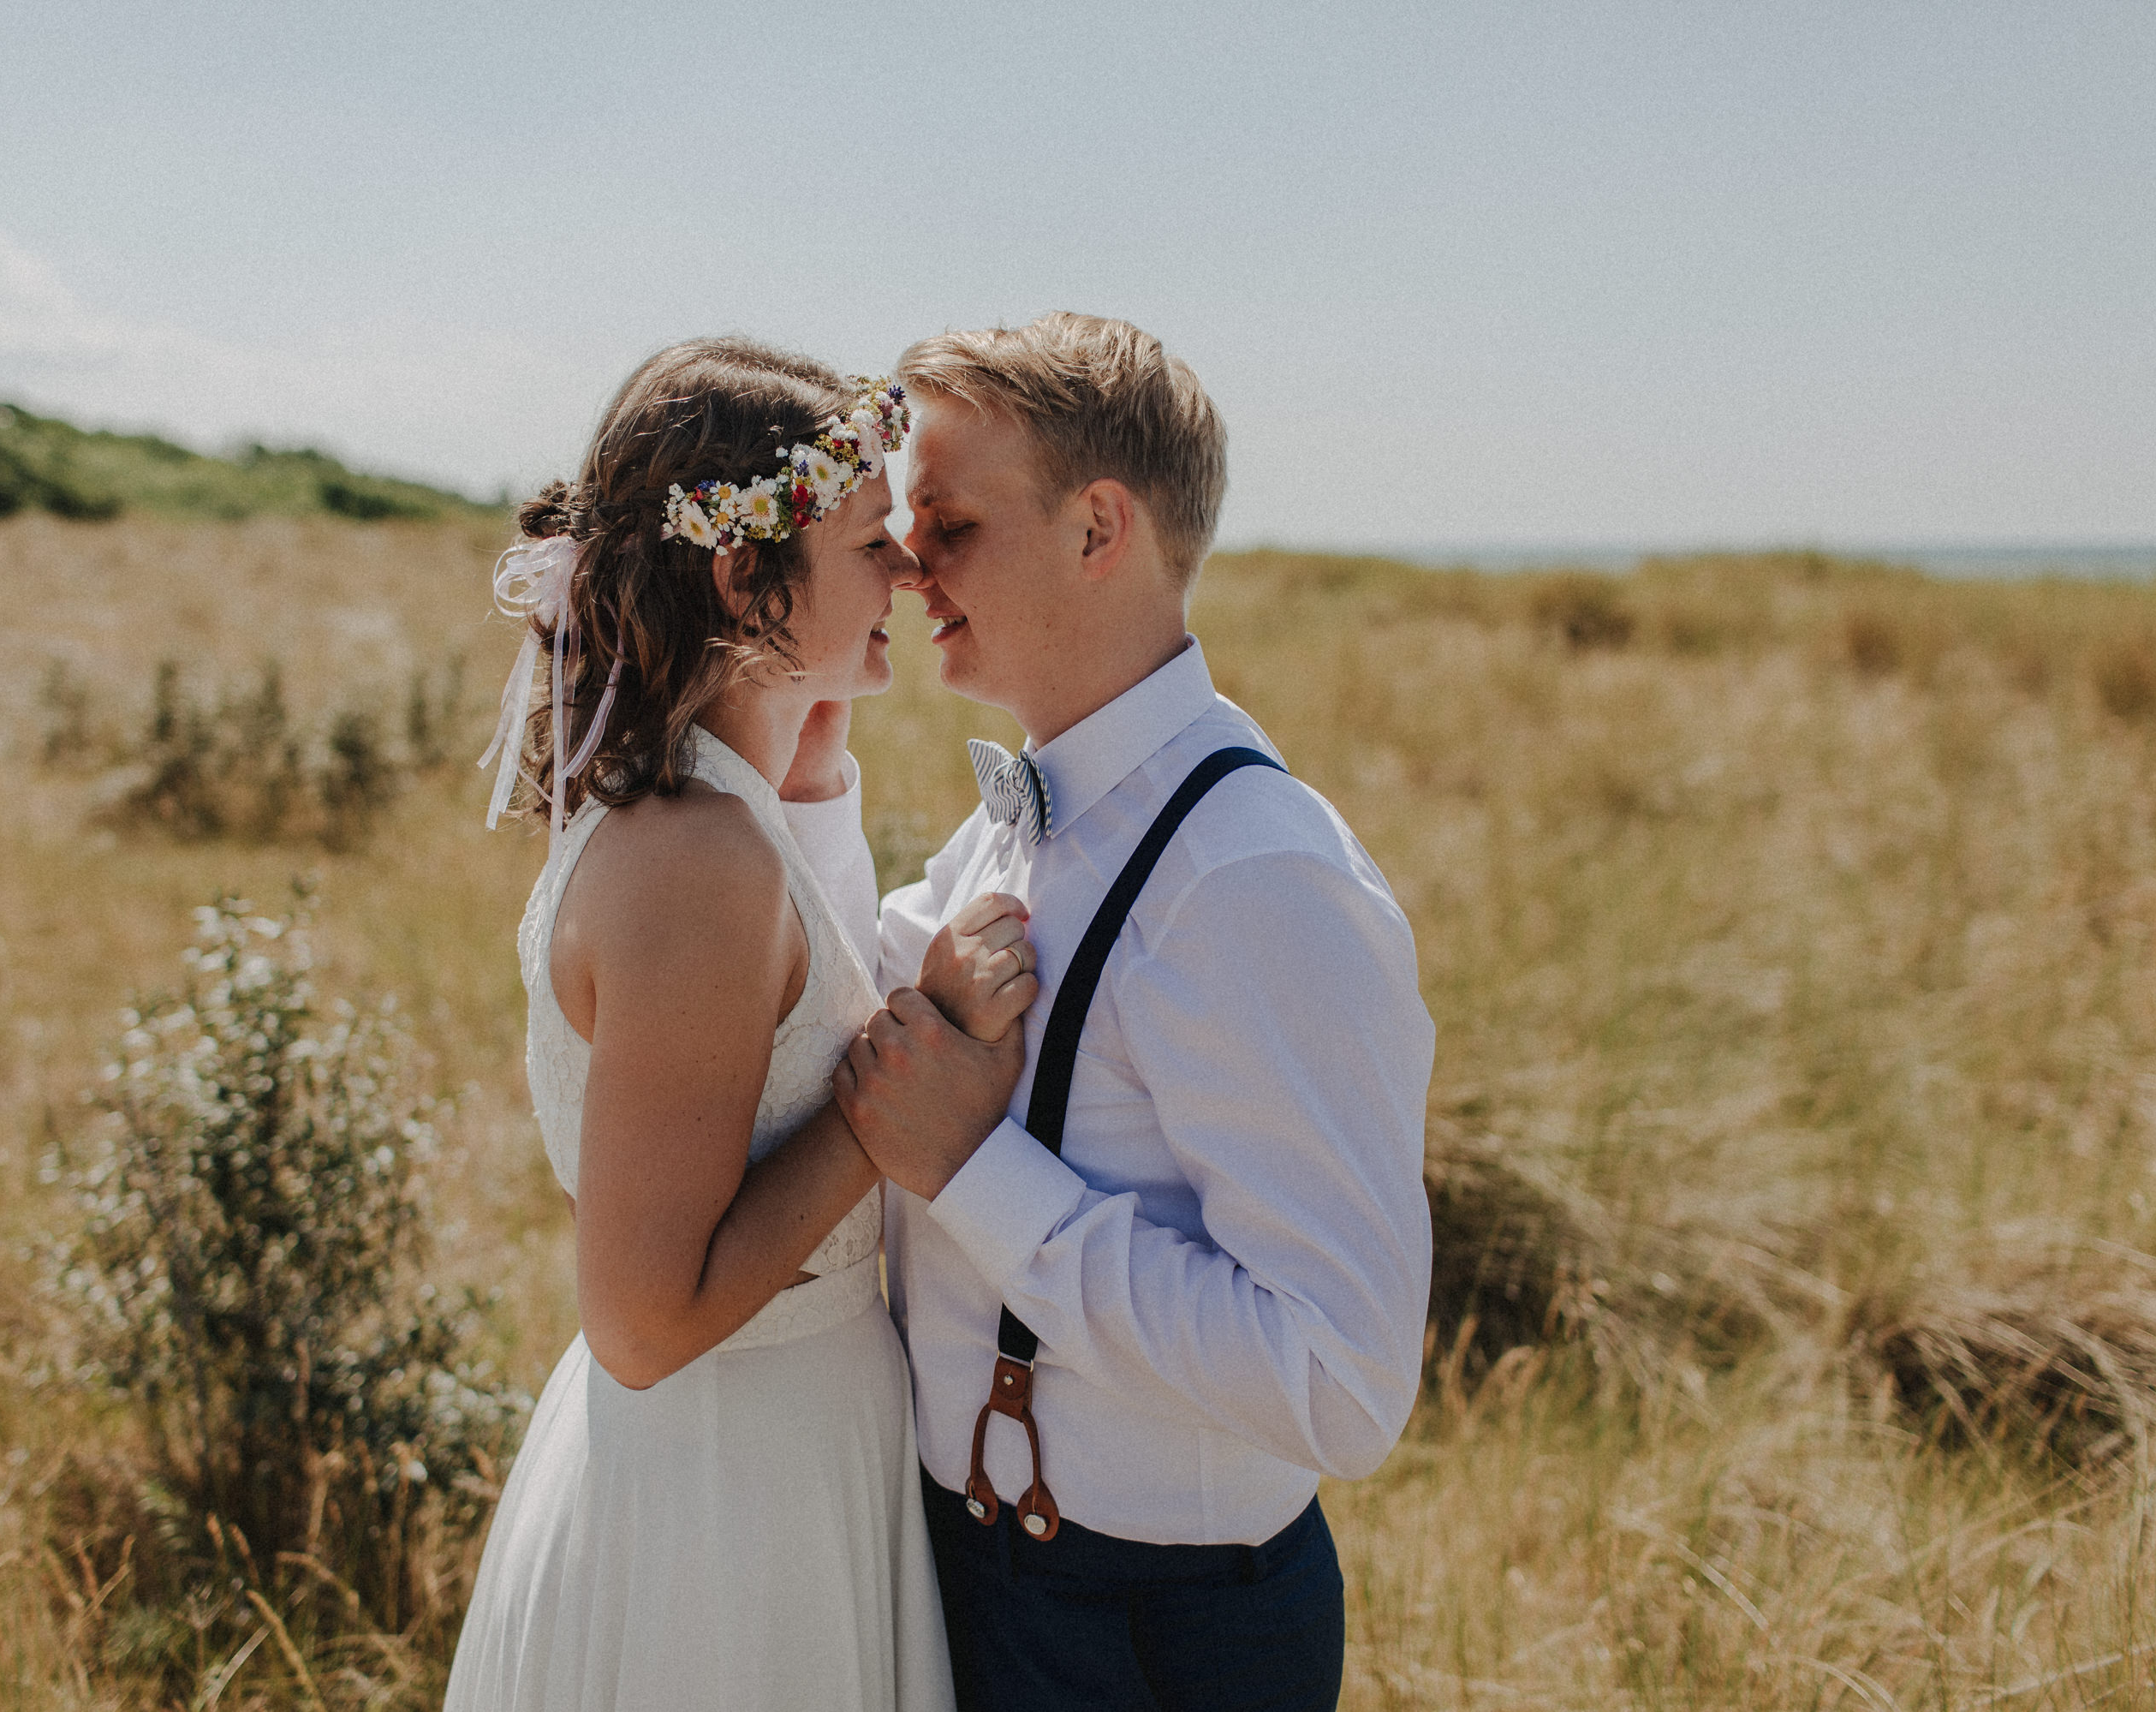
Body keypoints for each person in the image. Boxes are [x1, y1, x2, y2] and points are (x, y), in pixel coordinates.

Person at [831, 313, 1438, 1711]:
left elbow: (1338, 1385)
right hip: (973, 1579)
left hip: (1151, 1638)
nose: (911, 561)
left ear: (1100, 527)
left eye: (954, 522)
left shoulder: (1255, 877)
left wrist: (977, 1177)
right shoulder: (1020, 818)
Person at [444, 338, 1033, 1712]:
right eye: (869, 541)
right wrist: (910, 1072)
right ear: (739, 574)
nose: (906, 574)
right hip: (729, 1487)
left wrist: (814, 754)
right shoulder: (698, 861)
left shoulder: (718, 807)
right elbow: (644, 1324)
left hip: (775, 1440)